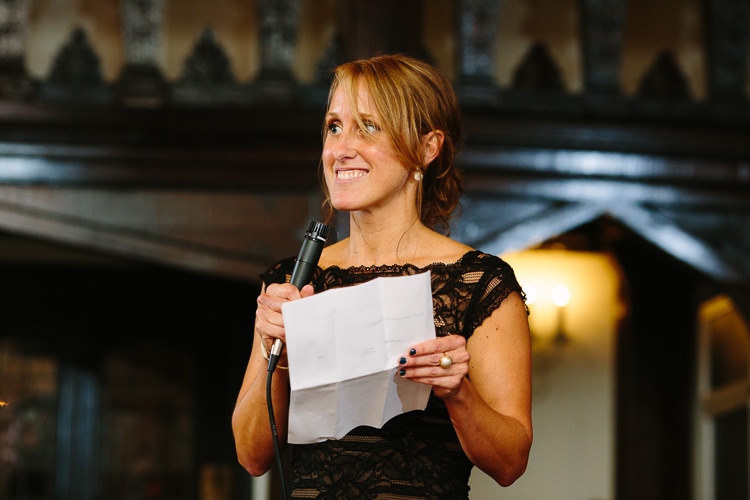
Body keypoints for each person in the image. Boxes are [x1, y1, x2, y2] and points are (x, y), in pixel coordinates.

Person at [232, 53, 532, 498]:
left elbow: (510, 464)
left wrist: (457, 392)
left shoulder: (479, 283)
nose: (341, 148)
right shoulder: (292, 280)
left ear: (428, 148)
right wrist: (274, 351)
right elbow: (251, 455)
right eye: (334, 126)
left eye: (368, 126)